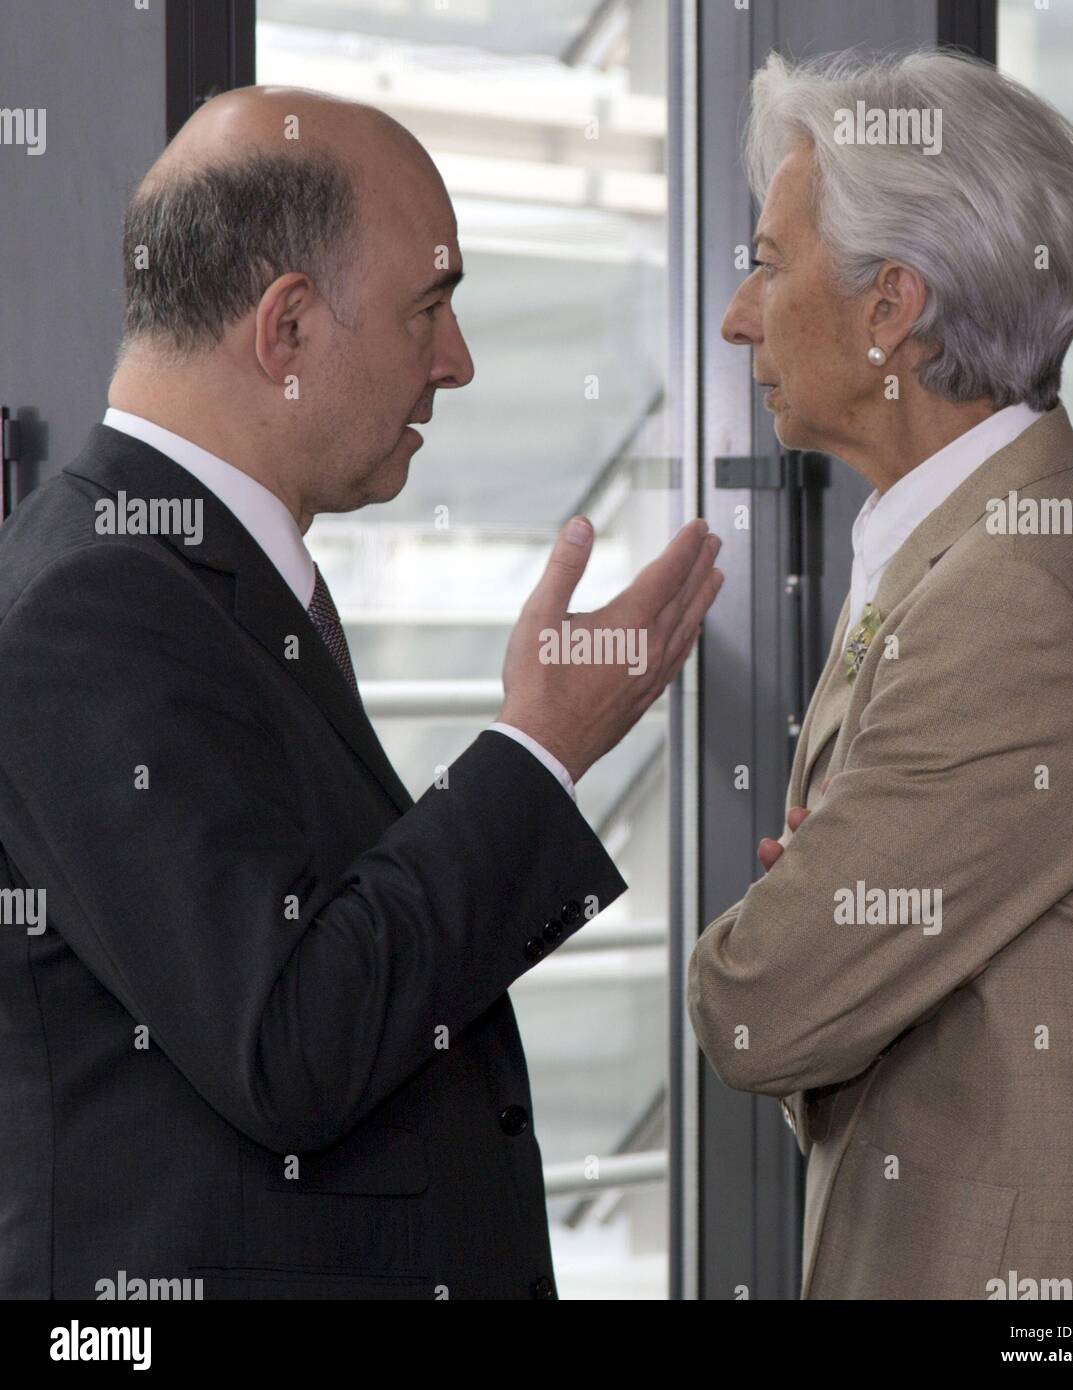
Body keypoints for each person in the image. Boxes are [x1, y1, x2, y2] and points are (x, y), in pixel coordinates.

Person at [0, 86, 722, 1300]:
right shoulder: (99, 599)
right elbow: (290, 1043)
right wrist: (537, 749)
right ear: (285, 331)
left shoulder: (170, 570)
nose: (458, 361)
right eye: (428, 309)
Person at [688, 49, 1073, 1300]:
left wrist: (802, 928)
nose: (738, 314)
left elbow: (761, 1001)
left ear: (888, 309)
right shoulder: (981, 555)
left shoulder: (1012, 600)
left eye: (764, 261)